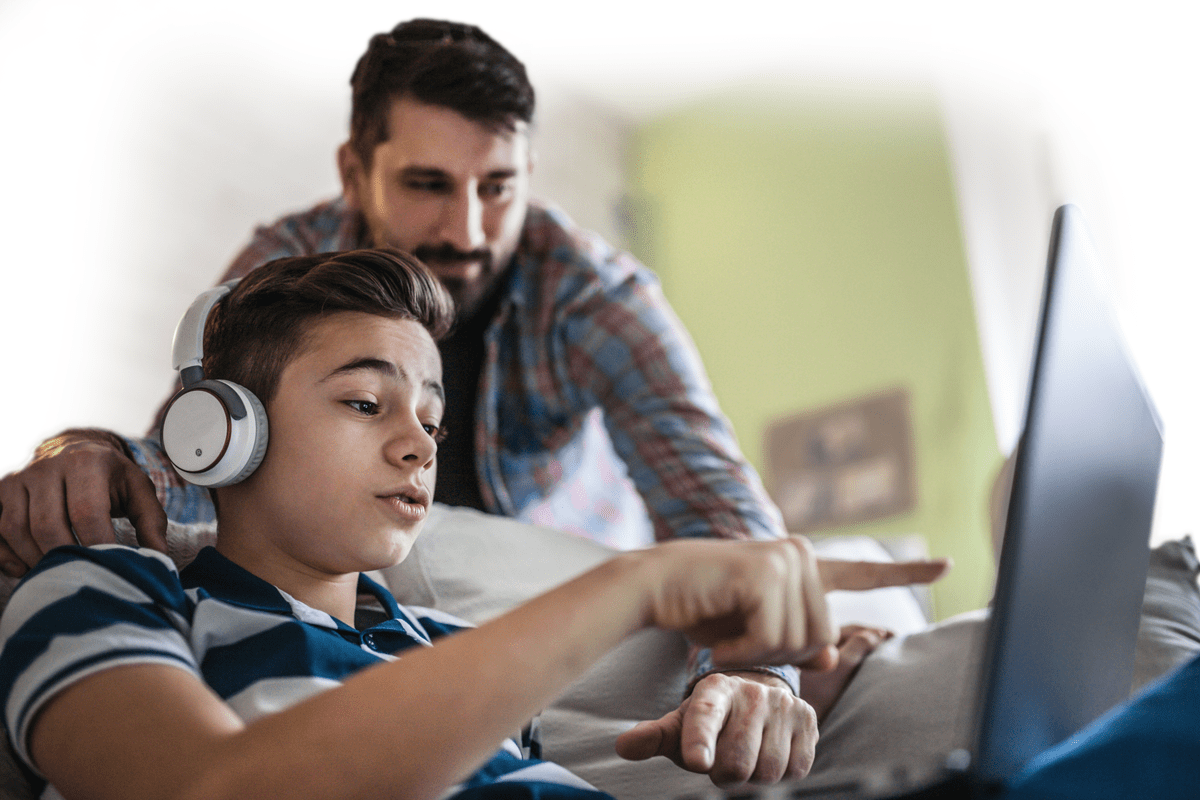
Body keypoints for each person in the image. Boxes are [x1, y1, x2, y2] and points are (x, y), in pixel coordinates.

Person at [0, 250, 946, 798]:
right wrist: (635, 582)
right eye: (367, 404)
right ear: (220, 434)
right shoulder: (104, 589)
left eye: (431, 418)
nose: (419, 446)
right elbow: (208, 792)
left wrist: (819, 660)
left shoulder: (450, 648)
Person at [0, 16, 784, 563]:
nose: (469, 231)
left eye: (499, 187)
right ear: (354, 172)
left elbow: (722, 514)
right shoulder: (288, 260)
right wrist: (89, 459)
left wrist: (755, 670)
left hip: (557, 581)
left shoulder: (596, 297)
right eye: (428, 184)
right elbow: (207, 453)